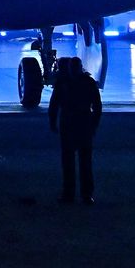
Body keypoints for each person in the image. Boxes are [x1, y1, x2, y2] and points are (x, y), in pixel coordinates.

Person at [47, 56, 102, 204]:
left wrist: (52, 121)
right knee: (84, 161)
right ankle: (86, 194)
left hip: (69, 123)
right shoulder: (88, 82)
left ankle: (69, 193)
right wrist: (94, 124)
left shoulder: (63, 83)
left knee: (69, 161)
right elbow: (97, 106)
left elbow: (54, 104)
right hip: (83, 123)